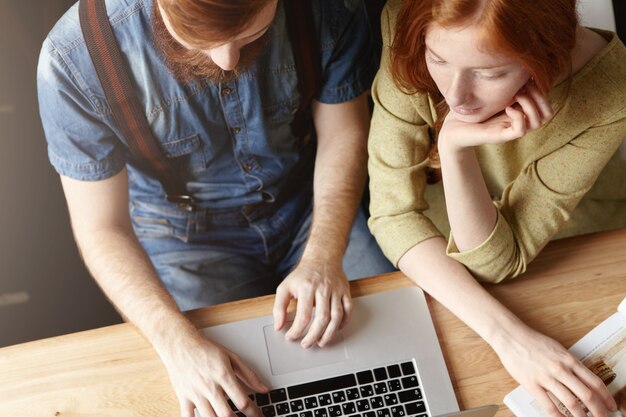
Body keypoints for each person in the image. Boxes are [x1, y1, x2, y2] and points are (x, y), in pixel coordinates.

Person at [37, 0, 394, 416]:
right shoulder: (74, 57)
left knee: (388, 350)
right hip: (182, 236)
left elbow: (344, 133)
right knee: (224, 398)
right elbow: (100, 227)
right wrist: (174, 341)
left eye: (250, 34)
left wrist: (323, 256)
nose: (228, 60)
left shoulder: (328, 9)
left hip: (311, 201)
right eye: (199, 38)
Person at [368, 1, 625, 417]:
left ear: (545, 55)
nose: (456, 96)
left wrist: (455, 150)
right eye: (439, 60)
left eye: (490, 73)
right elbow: (392, 214)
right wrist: (453, 147)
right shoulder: (407, 25)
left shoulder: (609, 88)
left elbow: (496, 263)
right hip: (442, 250)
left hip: (573, 248)